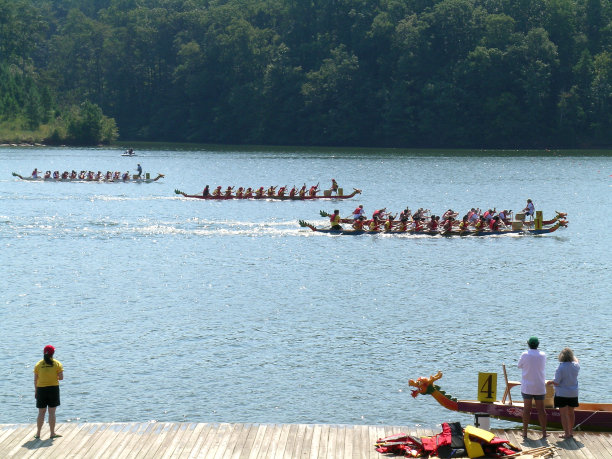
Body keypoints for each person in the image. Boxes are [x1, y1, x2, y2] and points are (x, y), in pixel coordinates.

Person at [518, 336, 547, 439]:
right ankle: (544, 433)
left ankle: (525, 432)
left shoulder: (525, 354)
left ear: (528, 344)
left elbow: (519, 365)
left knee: (526, 410)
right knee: (541, 410)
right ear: (538, 344)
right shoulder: (543, 355)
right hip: (539, 386)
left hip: (527, 386)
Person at [547, 348, 580, 439]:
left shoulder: (560, 367)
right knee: (571, 413)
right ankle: (571, 431)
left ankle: (566, 433)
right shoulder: (576, 366)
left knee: (564, 414)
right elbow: (577, 360)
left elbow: (557, 382)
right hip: (573, 393)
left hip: (562, 393)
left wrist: (550, 382)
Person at [34, 345, 64, 439]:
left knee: (41, 412)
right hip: (53, 389)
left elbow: (35, 379)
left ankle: (38, 434)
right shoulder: (57, 364)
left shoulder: (38, 364)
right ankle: (52, 433)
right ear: (53, 353)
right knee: (52, 412)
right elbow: (61, 378)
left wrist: (36, 391)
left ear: (43, 353)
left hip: (41, 390)